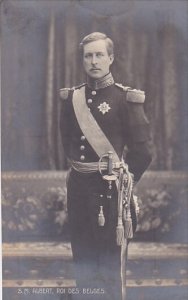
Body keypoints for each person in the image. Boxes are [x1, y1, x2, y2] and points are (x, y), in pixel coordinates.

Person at [59, 32, 152, 300]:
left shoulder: (125, 99)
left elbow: (143, 152)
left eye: (100, 54)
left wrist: (124, 179)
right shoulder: (71, 98)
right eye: (88, 55)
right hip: (78, 190)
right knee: (84, 261)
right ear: (83, 60)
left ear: (111, 58)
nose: (94, 61)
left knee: (108, 265)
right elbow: (66, 141)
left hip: (110, 193)